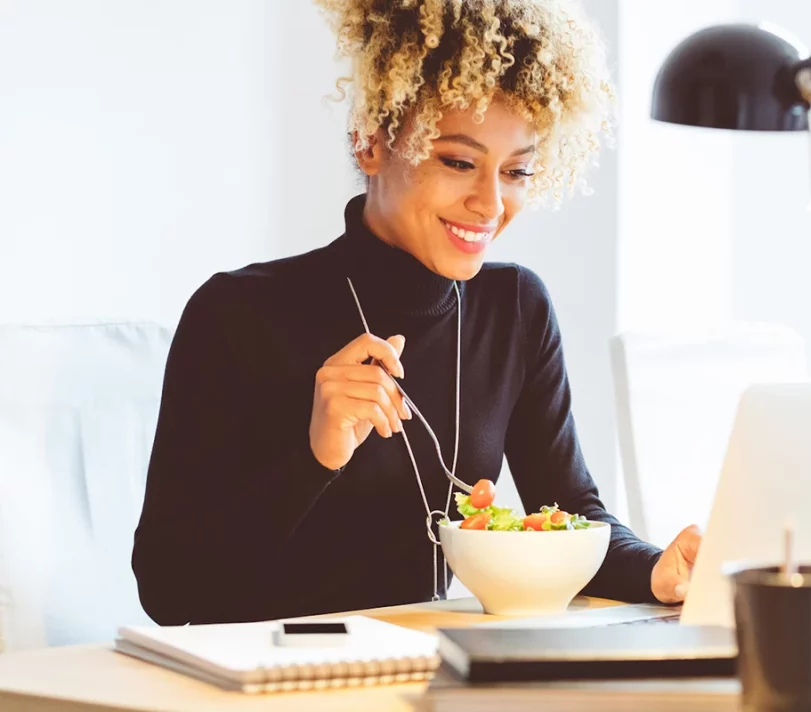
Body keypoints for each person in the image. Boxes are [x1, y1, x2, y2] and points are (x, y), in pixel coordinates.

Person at [131, 0, 701, 626]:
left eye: (516, 171)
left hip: (425, 671)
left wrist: (656, 571)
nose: (489, 204)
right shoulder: (235, 313)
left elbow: (571, 512)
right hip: (269, 679)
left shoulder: (514, 308)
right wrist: (314, 457)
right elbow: (167, 588)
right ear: (371, 140)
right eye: (458, 161)